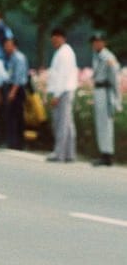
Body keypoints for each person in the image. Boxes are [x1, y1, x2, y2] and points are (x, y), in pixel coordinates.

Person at [46, 27, 78, 163]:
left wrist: (56, 95)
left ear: (61, 38)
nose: (54, 42)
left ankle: (59, 153)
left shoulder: (64, 53)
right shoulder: (63, 52)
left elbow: (62, 76)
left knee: (61, 124)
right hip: (65, 90)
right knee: (68, 123)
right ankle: (69, 153)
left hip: (63, 91)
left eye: (55, 39)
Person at [89, 32, 121, 166]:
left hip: (106, 92)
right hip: (98, 90)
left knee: (106, 124)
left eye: (99, 41)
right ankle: (103, 152)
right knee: (100, 123)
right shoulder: (96, 56)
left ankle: (108, 154)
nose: (96, 44)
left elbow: (114, 79)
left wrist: (117, 99)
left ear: (104, 43)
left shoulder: (108, 57)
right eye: (94, 42)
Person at [0, 37, 28, 150]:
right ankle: (12, 141)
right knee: (11, 116)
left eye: (8, 45)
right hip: (12, 88)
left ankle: (17, 143)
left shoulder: (19, 58)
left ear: (14, 45)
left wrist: (12, 92)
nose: (6, 47)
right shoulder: (10, 58)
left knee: (16, 116)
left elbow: (18, 77)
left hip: (17, 89)